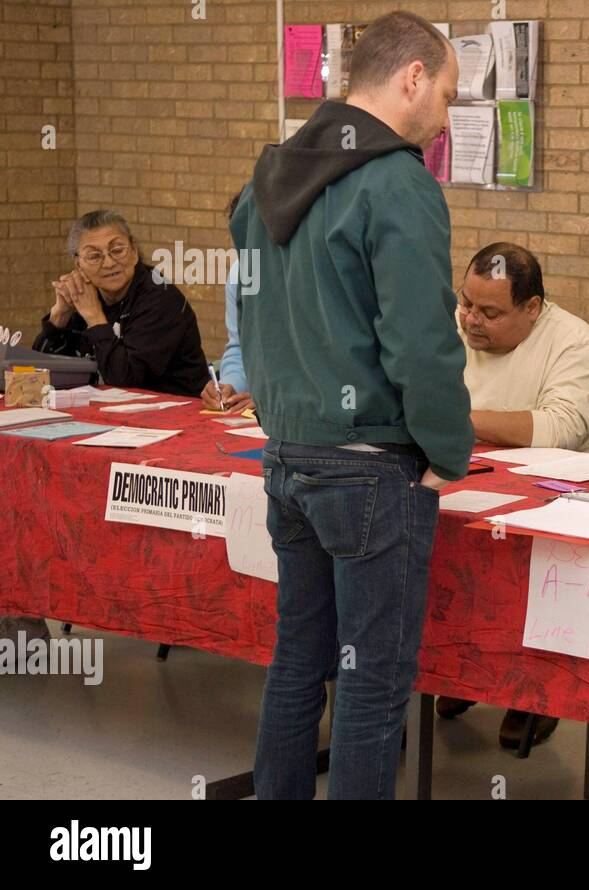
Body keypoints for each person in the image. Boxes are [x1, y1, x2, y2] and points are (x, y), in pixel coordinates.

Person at [229, 11, 471, 799]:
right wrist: (447, 451)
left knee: (298, 664)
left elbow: (255, 319)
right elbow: (421, 345)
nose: (444, 117)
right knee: (371, 690)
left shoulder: (263, 180)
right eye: (446, 94)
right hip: (373, 469)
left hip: (289, 456)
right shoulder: (399, 182)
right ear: (411, 78)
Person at [435, 242, 589, 748]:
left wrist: (454, 420)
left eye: (490, 312)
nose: (471, 320)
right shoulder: (452, 325)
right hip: (480, 480)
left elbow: (558, 429)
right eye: (466, 303)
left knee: (521, 562)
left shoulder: (573, 344)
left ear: (533, 308)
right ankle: (453, 666)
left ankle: (530, 689)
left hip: (575, 497)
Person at [34, 210, 208, 396]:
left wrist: (95, 318)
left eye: (117, 250)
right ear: (79, 265)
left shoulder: (160, 299)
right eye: (94, 256)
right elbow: (38, 376)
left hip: (175, 413)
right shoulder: (86, 294)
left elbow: (126, 381)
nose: (108, 263)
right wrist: (60, 315)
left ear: (133, 252)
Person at [201, 194, 254, 414]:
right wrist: (229, 385)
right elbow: (241, 347)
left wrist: (280, 399)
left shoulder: (318, 278)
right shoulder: (240, 275)